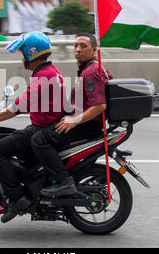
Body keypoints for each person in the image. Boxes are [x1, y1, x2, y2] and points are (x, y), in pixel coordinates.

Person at [0, 31, 65, 223]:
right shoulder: (50, 72)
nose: (22, 58)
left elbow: (18, 107)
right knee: (13, 139)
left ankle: (17, 199)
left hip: (42, 129)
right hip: (46, 126)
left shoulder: (43, 77)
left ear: (32, 53)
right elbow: (24, 102)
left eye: (23, 53)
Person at [31, 32, 113, 197]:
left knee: (39, 139)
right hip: (85, 122)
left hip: (87, 125)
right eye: (75, 46)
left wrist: (74, 121)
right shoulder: (89, 69)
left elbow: (99, 105)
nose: (78, 50)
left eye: (83, 46)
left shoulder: (91, 72)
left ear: (94, 50)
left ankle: (63, 182)